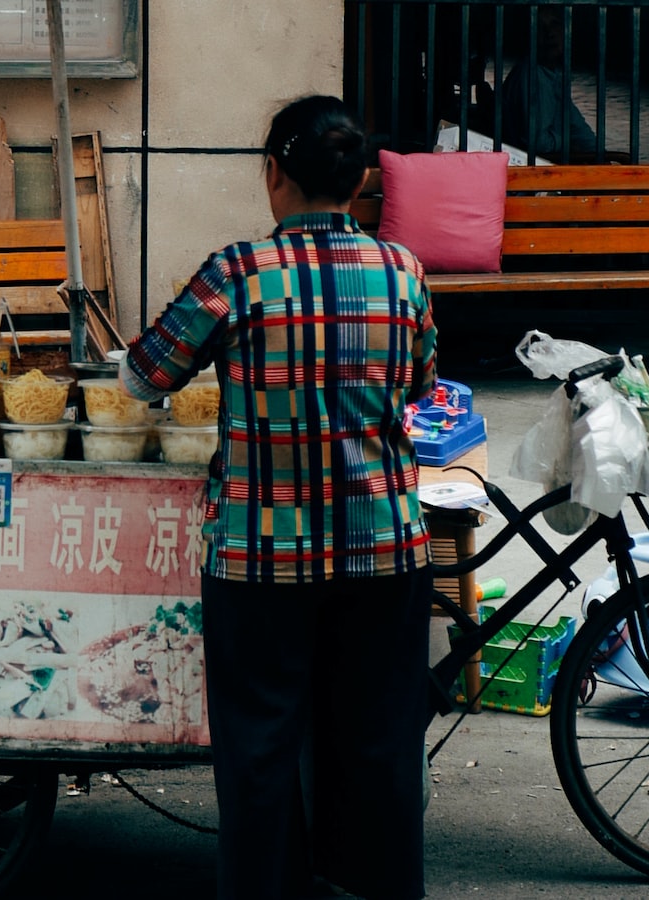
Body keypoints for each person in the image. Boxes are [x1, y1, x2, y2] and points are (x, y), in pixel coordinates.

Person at [118, 95, 436, 900]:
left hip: (262, 560)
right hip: (384, 552)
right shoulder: (403, 272)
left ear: (274, 176)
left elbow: (143, 377)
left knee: (259, 754)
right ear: (360, 178)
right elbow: (424, 383)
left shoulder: (238, 273)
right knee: (379, 750)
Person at [499, 8, 630, 163]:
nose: (550, 33)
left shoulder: (552, 75)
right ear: (530, 35)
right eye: (540, 27)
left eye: (555, 24)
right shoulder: (532, 77)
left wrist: (602, 157)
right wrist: (570, 145)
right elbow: (538, 144)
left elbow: (575, 125)